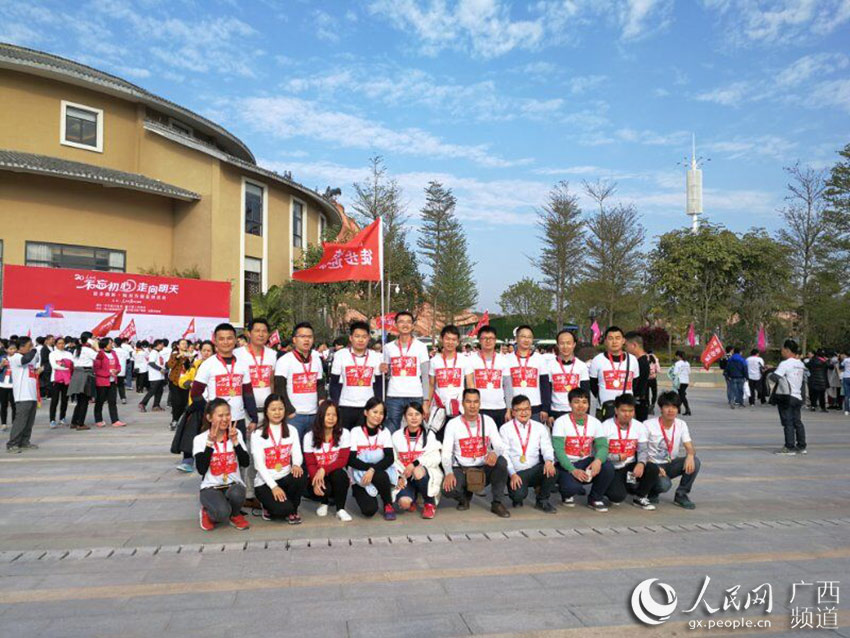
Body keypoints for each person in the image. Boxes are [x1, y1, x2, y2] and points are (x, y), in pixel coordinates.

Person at [440, 388, 510, 518]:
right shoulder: (453, 424)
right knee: (447, 489)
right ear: (462, 403)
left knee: (501, 462)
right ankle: (464, 498)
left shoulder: (488, 421)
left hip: (483, 467)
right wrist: (448, 472)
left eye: (476, 402)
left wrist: (494, 453)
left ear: (480, 403)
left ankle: (497, 503)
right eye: (468, 402)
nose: (472, 406)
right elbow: (446, 452)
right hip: (462, 468)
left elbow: (500, 446)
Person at [551, 387, 613, 512]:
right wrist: (573, 470)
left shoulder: (595, 422)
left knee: (607, 466)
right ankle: (567, 493)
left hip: (585, 460)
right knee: (571, 488)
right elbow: (559, 450)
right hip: (566, 463)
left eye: (584, 402)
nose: (581, 405)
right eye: (576, 402)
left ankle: (595, 498)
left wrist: (598, 461)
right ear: (570, 404)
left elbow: (602, 446)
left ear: (588, 404)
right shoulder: (560, 422)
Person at [193, 398, 251, 531]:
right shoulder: (200, 439)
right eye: (220, 415)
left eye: (227, 414)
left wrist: (235, 442)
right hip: (211, 487)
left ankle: (235, 515)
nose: (225, 419)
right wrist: (209, 444)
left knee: (238, 492)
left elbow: (245, 462)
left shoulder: (236, 433)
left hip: (232, 485)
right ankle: (207, 512)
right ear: (209, 417)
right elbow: (201, 469)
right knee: (221, 513)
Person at [251, 394, 308, 524]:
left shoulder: (292, 430)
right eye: (273, 409)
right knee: (281, 511)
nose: (277, 412)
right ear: (266, 411)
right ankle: (268, 506)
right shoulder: (257, 434)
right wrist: (274, 486)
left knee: (300, 475)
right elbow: (259, 465)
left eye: (280, 409)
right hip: (266, 483)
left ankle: (293, 510)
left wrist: (296, 464)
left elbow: (297, 453)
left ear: (285, 410)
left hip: (285, 477)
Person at [500, 395, 557, 512]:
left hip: (534, 469)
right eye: (519, 410)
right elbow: (504, 454)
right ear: (513, 412)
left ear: (531, 410)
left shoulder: (539, 427)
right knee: (518, 496)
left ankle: (542, 500)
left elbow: (547, 447)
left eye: (527, 409)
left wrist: (548, 461)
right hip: (516, 472)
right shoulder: (505, 429)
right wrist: (512, 474)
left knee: (552, 470)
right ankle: (516, 496)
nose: (524, 412)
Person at [602, 394, 659, 510]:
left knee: (652, 468)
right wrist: (616, 457)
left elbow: (643, 449)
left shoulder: (639, 426)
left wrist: (641, 463)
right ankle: (607, 489)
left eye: (630, 411)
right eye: (623, 411)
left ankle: (640, 497)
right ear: (616, 410)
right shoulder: (605, 426)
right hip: (612, 468)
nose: (627, 414)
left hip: (629, 467)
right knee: (616, 497)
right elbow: (599, 454)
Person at [273, 321, 327, 441]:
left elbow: (319, 384)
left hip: (314, 415)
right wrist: (289, 410)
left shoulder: (316, 359)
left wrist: (322, 402)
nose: (306, 340)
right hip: (294, 416)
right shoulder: (285, 360)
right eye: (302, 336)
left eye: (310, 337)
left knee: (312, 448)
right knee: (294, 449)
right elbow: (279, 388)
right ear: (294, 339)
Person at [646, 391, 700, 508]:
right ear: (661, 408)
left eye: (674, 407)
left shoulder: (681, 424)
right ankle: (652, 491)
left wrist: (690, 455)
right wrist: (653, 467)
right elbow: (640, 451)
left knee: (695, 462)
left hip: (670, 463)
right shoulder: (648, 425)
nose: (671, 410)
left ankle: (681, 494)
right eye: (667, 406)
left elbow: (689, 446)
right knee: (664, 485)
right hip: (652, 465)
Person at [347, 398, 397, 520]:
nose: (378, 416)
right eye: (375, 412)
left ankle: (388, 503)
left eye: (381, 413)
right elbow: (351, 460)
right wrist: (369, 469)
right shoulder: (355, 432)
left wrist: (372, 470)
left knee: (381, 475)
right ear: (366, 412)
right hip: (360, 475)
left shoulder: (385, 432)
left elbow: (389, 458)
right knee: (369, 510)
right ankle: (361, 492)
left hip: (379, 473)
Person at [391, 402, 443, 519]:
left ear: (423, 416)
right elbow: (392, 460)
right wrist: (398, 476)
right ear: (404, 417)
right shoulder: (396, 436)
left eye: (417, 414)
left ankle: (429, 503)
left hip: (423, 475)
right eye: (410, 414)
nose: (414, 418)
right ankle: (412, 498)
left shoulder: (429, 436)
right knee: (404, 503)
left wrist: (415, 463)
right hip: (405, 476)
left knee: (417, 471)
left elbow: (436, 458)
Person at [303, 401, 353, 522]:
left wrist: (324, 469)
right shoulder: (309, 436)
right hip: (317, 475)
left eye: (334, 415)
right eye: (327, 414)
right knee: (322, 488)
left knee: (340, 475)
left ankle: (340, 509)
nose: (331, 418)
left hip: (334, 473)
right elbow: (310, 463)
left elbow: (342, 460)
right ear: (321, 416)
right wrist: (316, 481)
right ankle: (323, 502)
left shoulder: (344, 433)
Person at [329, 321, 383, 430]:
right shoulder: (340, 355)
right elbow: (334, 383)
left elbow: (378, 384)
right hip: (345, 406)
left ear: (369, 338)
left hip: (368, 407)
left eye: (364, 337)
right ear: (351, 338)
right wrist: (335, 404)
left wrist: (377, 405)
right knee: (344, 437)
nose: (361, 340)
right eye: (357, 336)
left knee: (364, 437)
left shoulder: (376, 356)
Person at [382, 312, 429, 431]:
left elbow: (425, 375)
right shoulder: (388, 347)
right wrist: (384, 369)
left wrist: (426, 401)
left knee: (415, 428)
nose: (405, 325)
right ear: (395, 324)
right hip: (394, 395)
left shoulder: (421, 347)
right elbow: (387, 373)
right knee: (391, 428)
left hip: (415, 395)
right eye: (401, 321)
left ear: (413, 325)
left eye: (408, 322)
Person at [173, 340, 215, 473]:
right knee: (190, 432)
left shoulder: (217, 365)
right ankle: (188, 460)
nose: (206, 353)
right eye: (204, 350)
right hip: (197, 404)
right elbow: (182, 380)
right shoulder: (195, 365)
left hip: (213, 406)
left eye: (209, 351)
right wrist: (190, 383)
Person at [588, 326, 640, 421]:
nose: (614, 341)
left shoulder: (633, 360)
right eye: (610, 338)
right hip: (604, 409)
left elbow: (635, 384)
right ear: (605, 341)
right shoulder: (597, 360)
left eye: (617, 338)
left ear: (623, 340)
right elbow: (593, 385)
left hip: (627, 410)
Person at [465, 325, 510, 426]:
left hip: (500, 408)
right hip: (479, 408)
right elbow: (469, 385)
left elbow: (507, 386)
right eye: (484, 338)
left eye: (491, 338)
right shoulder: (470, 360)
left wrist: (509, 409)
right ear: (479, 340)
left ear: (495, 340)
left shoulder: (504, 360)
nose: (488, 341)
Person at [544, 329, 590, 426]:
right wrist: (549, 413)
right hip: (556, 411)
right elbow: (547, 392)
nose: (565, 346)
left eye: (568, 343)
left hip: (577, 411)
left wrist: (586, 414)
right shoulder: (549, 366)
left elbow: (586, 392)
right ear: (557, 345)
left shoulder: (581, 366)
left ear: (574, 344)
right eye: (562, 343)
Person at [504, 325, 549, 423]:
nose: (526, 340)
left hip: (535, 408)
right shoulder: (507, 359)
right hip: (514, 408)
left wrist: (545, 409)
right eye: (523, 336)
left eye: (529, 337)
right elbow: (505, 386)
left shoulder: (540, 359)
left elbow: (545, 385)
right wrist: (508, 408)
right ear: (516, 338)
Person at [771, 339, 808, 455]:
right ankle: (801, 446)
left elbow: (775, 377)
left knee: (787, 422)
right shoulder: (800, 364)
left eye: (782, 349)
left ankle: (789, 447)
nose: (781, 351)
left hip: (787, 397)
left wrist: (770, 372)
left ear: (787, 350)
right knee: (797, 422)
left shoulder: (785, 363)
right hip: (798, 396)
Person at [425, 325, 467, 425]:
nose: (450, 342)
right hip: (439, 408)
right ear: (441, 339)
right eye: (447, 339)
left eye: (453, 340)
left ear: (458, 342)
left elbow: (470, 385)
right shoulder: (434, 361)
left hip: (459, 408)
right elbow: (431, 385)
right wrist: (426, 405)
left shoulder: (464, 360)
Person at [5, 336, 41, 453]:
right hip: (22, 395)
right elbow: (25, 360)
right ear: (21, 347)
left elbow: (35, 361)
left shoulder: (30, 357)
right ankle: (12, 444)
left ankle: (25, 442)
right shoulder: (15, 357)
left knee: (29, 422)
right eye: (29, 346)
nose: (31, 348)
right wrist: (34, 350)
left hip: (32, 394)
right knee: (21, 421)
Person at [93, 338, 125, 428]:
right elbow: (97, 369)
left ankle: (115, 420)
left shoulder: (114, 353)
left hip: (112, 381)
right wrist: (108, 372)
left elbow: (118, 365)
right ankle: (98, 420)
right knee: (100, 401)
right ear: (105, 344)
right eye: (110, 343)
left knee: (112, 401)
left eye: (112, 343)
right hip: (102, 381)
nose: (112, 344)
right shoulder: (100, 354)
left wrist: (117, 371)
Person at [69, 332, 97, 430]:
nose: (94, 340)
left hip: (77, 374)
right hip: (86, 374)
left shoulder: (77, 349)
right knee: (84, 401)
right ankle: (80, 423)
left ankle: (74, 422)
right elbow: (99, 357)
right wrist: (96, 347)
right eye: (93, 338)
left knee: (80, 400)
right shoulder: (88, 350)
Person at [166, 339, 193, 429]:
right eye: (183, 343)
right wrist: (178, 357)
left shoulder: (190, 355)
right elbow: (169, 365)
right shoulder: (174, 354)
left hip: (185, 382)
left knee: (184, 402)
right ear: (178, 346)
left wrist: (190, 360)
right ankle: (174, 420)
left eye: (186, 344)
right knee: (176, 402)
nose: (185, 345)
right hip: (175, 381)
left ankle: (177, 419)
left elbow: (191, 369)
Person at [624, 332, 651, 420]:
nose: (625, 349)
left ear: (634, 345)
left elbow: (637, 386)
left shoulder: (641, 363)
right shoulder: (641, 361)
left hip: (638, 403)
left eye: (626, 346)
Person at [48, 337, 73, 428]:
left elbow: (72, 365)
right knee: (54, 400)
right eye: (59, 343)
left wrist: (64, 366)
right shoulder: (52, 354)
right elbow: (54, 366)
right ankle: (52, 419)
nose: (61, 345)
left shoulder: (69, 354)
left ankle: (62, 417)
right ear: (56, 344)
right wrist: (66, 368)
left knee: (65, 400)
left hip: (67, 380)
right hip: (56, 379)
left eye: (63, 343)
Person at [139, 340, 167, 412]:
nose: (163, 346)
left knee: (159, 391)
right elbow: (151, 363)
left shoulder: (158, 353)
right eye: (162, 345)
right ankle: (143, 403)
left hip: (160, 376)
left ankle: (156, 405)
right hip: (155, 376)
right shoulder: (153, 353)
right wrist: (160, 369)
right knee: (152, 391)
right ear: (158, 345)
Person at [0, 342, 15, 432]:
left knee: (14, 405)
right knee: (3, 405)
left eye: (14, 349)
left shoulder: (17, 358)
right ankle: (4, 423)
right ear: (6, 350)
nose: (12, 350)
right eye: (10, 349)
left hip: (14, 384)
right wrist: (2, 365)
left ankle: (14, 423)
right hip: (3, 384)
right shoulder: (2, 358)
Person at [672, 350, 692, 416]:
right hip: (686, 381)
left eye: (676, 356)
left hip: (680, 381)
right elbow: (689, 372)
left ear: (678, 356)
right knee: (681, 395)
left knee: (682, 395)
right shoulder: (687, 363)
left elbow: (675, 372)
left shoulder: (677, 363)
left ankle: (687, 409)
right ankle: (678, 408)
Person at [840, 352, 850, 416]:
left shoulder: (845, 360)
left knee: (846, 395)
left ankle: (846, 410)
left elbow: (841, 367)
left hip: (846, 377)